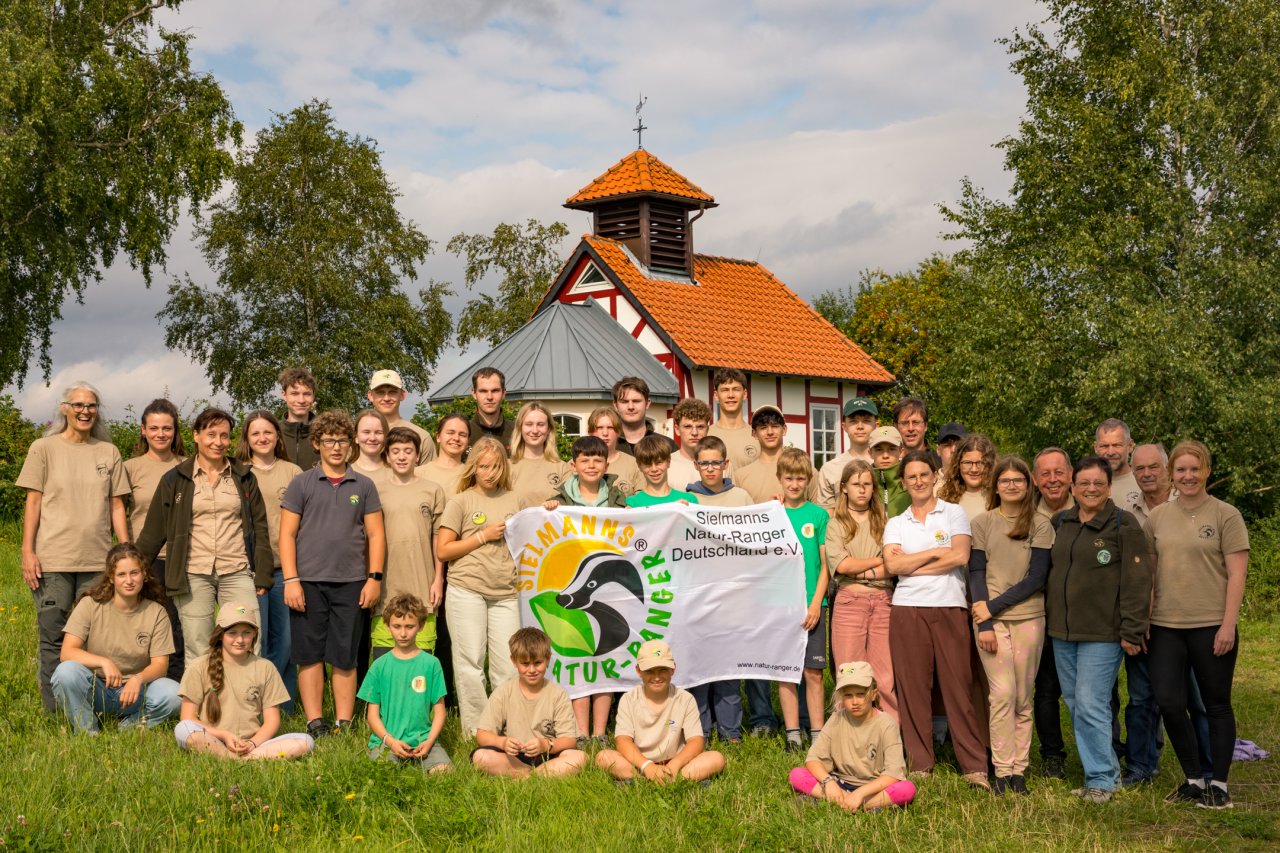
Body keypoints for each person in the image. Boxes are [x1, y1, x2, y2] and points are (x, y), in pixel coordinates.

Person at [1146, 441, 1249, 810]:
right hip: (1165, 626)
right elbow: (1152, 574)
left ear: (1205, 471)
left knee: (1216, 704)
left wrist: (1228, 625)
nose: (1188, 476)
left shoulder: (1226, 515)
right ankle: (1193, 778)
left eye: (1195, 469)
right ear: (1171, 475)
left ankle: (1218, 785)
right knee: (1170, 703)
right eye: (1181, 470)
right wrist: (1145, 618)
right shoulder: (1157, 517)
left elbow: (1237, 575)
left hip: (1211, 625)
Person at [18, 381, 131, 712]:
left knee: (94, 641)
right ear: (64, 408)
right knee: (53, 639)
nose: (85, 411)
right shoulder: (43, 448)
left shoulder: (107, 452)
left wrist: (125, 553)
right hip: (52, 562)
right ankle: (55, 713)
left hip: (98, 562)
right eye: (78, 405)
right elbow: (33, 503)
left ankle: (91, 707)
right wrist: (27, 551)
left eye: (91, 406)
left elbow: (117, 507)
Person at [1045, 455, 1151, 803]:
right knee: (1077, 704)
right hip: (1063, 632)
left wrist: (1132, 630)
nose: (1091, 489)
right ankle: (1104, 773)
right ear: (1073, 487)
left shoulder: (1123, 524)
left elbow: (1137, 581)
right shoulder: (1063, 522)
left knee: (1092, 703)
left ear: (1109, 488)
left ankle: (1102, 780)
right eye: (1084, 483)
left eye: (1098, 484)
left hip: (1103, 633)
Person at [884, 450, 989, 789]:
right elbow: (892, 567)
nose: (918, 481)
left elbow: (960, 555)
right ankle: (920, 763)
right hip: (907, 610)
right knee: (913, 689)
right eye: (911, 476)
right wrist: (932, 552)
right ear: (904, 482)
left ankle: (974, 766)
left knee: (958, 686)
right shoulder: (896, 523)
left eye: (924, 475)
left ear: (934, 477)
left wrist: (912, 563)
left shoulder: (953, 513)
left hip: (949, 607)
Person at [136, 408, 274, 666]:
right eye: (211, 435)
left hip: (237, 570)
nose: (218, 442)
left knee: (250, 642)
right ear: (196, 436)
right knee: (197, 648)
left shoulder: (244, 478)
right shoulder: (175, 480)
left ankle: (246, 704)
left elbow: (261, 528)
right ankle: (200, 706)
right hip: (193, 573)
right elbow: (153, 533)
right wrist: (132, 570)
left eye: (224, 436)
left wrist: (264, 572)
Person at [279, 410, 386, 739]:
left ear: (351, 444)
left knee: (345, 655)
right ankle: (315, 721)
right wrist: (291, 580)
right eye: (329, 441)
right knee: (309, 655)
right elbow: (286, 535)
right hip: (307, 582)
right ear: (317, 444)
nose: (336, 447)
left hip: (352, 582)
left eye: (342, 441)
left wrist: (374, 578)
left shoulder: (364, 485)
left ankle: (343, 721)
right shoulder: (301, 484)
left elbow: (377, 535)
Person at [968, 456, 1053, 795]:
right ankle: (1001, 771)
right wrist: (985, 618)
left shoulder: (1041, 524)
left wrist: (991, 607)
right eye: (1005, 480)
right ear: (996, 486)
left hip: (1029, 618)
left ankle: (1019, 771)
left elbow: (1037, 578)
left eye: (1018, 480)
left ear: (1028, 484)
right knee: (1001, 695)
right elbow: (976, 572)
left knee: (1022, 696)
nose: (1012, 485)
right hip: (990, 623)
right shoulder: (982, 522)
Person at [436, 436, 531, 735]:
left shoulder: (516, 500)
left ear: (504, 466)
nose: (489, 473)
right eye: (483, 466)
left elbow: (535, 536)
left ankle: (504, 728)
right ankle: (476, 732)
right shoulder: (460, 501)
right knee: (470, 664)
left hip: (506, 592)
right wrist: (483, 536)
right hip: (467, 590)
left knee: (505, 666)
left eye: (495, 466)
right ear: (473, 467)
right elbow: (443, 550)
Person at [546, 435, 628, 741]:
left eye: (597, 460)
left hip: (608, 588)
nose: (591, 465)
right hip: (571, 584)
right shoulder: (560, 501)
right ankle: (580, 731)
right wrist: (548, 511)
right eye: (585, 460)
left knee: (604, 654)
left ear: (607, 463)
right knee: (578, 656)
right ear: (573, 465)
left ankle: (599, 731)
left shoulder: (618, 499)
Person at [51, 543, 180, 732]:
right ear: (111, 577)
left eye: (134, 573)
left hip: (136, 692)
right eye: (121, 574)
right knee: (65, 672)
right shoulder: (90, 604)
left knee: (174, 695)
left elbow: (160, 665)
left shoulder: (157, 612)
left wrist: (138, 679)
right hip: (98, 688)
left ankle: (128, 727)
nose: (129, 580)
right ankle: (88, 732)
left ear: (144, 574)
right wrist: (103, 662)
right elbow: (67, 652)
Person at [175, 602, 313, 759]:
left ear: (254, 633)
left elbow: (272, 720)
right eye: (232, 633)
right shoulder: (198, 666)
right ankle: (243, 758)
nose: (240, 639)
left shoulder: (265, 667)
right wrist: (224, 735)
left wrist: (252, 743)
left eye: (246, 633)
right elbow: (187, 718)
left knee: (306, 741)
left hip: (253, 743)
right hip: (213, 739)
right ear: (220, 634)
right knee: (183, 728)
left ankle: (239, 758)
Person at [236, 410, 304, 710]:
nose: (262, 438)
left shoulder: (293, 473)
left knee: (287, 643)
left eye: (268, 432)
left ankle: (282, 705)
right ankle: (253, 703)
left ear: (277, 436)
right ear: (247, 439)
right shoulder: (238, 472)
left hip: (286, 570)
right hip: (248, 570)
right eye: (255, 434)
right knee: (255, 640)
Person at [789, 662, 915, 811]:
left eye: (861, 695)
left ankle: (840, 802)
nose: (855, 702)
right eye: (848, 695)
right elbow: (813, 760)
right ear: (841, 697)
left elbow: (894, 774)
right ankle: (866, 805)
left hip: (874, 787)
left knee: (907, 789)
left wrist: (860, 793)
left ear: (873, 694)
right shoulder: (836, 719)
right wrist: (829, 782)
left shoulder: (886, 723)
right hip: (839, 783)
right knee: (796, 775)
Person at [595, 640, 726, 783]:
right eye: (649, 671)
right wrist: (647, 766)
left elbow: (696, 741)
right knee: (603, 757)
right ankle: (662, 780)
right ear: (638, 671)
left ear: (673, 669)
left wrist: (674, 766)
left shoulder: (685, 699)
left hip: (676, 763)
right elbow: (622, 741)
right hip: (639, 763)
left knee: (716, 758)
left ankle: (653, 780)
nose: (656, 677)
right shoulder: (629, 699)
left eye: (662, 670)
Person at [123, 398, 186, 680]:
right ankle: (138, 684)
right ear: (143, 430)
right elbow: (116, 512)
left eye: (167, 428)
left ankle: (176, 686)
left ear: (175, 431)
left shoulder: (189, 465)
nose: (161, 434)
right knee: (145, 625)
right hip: (145, 560)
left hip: (183, 558)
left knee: (178, 626)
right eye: (154, 428)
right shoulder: (129, 468)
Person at [827, 460, 895, 720]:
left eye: (867, 484)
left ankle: (889, 736)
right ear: (844, 488)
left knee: (884, 676)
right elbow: (843, 566)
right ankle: (846, 740)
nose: (862, 490)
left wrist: (861, 568)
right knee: (850, 674)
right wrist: (878, 562)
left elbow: (894, 566)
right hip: (849, 602)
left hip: (882, 601)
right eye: (856, 484)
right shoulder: (837, 524)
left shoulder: (885, 522)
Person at [471, 628, 586, 777]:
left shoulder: (558, 694)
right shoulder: (504, 691)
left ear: (548, 659)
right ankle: (536, 775)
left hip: (547, 755)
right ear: (514, 661)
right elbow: (482, 734)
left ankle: (527, 777)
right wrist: (503, 743)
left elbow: (570, 740)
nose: (531, 670)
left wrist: (546, 745)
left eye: (538, 663)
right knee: (481, 757)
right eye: (525, 664)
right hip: (513, 757)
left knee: (579, 758)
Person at [372, 428, 446, 661]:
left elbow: (438, 537)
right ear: (387, 455)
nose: (402, 456)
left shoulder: (432, 490)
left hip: (422, 585)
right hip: (386, 588)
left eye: (408, 451)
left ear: (417, 455)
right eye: (395, 451)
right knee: (386, 660)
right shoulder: (375, 490)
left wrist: (438, 579)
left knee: (421, 660)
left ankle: (424, 700)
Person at [358, 593, 452, 773]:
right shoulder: (379, 666)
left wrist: (430, 741)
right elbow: (372, 715)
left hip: (424, 740)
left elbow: (440, 712)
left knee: (444, 773)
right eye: (397, 626)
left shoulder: (431, 664)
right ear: (387, 626)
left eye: (409, 626)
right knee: (383, 774)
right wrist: (390, 741)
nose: (403, 633)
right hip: (386, 741)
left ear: (421, 626)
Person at [776, 448, 829, 752]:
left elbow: (824, 567)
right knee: (785, 672)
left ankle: (818, 734)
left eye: (800, 478)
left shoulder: (818, 515)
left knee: (813, 672)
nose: (794, 484)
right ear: (780, 479)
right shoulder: (771, 513)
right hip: (781, 605)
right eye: (788, 478)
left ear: (808, 479)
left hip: (811, 605)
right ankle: (793, 734)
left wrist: (816, 603)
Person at [1030, 447, 1073, 778]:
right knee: (1046, 690)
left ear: (1070, 475)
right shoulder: (1027, 515)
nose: (1052, 479)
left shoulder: (1090, 507)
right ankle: (1052, 754)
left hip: (1085, 619)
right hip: (1042, 615)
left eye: (1059, 472)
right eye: (1045, 473)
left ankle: (1109, 749)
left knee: (1099, 693)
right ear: (1035, 479)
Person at [817, 397, 878, 510]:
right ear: (844, 426)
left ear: (876, 425)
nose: (860, 426)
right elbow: (827, 515)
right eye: (853, 421)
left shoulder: (888, 464)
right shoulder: (829, 469)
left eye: (866, 421)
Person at [367, 369, 436, 464]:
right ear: (370, 395)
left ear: (402, 395)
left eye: (392, 392)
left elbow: (429, 476)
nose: (386, 398)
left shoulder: (422, 437)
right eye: (380, 392)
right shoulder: (358, 436)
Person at [509, 402, 571, 503]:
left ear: (549, 429)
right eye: (529, 424)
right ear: (520, 428)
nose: (535, 430)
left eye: (540, 425)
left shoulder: (563, 469)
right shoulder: (507, 467)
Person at [706, 368, 759, 472]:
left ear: (745, 395)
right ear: (716, 396)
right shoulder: (706, 435)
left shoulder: (757, 437)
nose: (730, 395)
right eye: (725, 390)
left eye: (736, 389)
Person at [626, 435, 700, 508]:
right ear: (639, 466)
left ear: (668, 462)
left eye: (659, 463)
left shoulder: (688, 500)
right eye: (647, 464)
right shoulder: (633, 503)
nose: (654, 469)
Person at [588, 406, 643, 499]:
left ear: (618, 431)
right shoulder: (575, 465)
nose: (605, 433)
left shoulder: (634, 464)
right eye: (600, 427)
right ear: (590, 432)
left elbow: (642, 499)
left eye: (610, 427)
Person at [613, 376, 675, 456]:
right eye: (624, 402)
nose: (630, 407)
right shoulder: (605, 446)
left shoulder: (668, 446)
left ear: (647, 404)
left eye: (636, 401)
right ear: (615, 405)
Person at [939, 433, 996, 520]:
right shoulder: (945, 498)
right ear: (958, 464)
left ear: (989, 464)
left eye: (980, 463)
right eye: (967, 463)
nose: (974, 469)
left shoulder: (998, 497)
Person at [686, 436, 752, 507]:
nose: (710, 469)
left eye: (716, 463)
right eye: (704, 463)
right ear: (696, 465)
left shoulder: (742, 497)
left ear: (725, 464)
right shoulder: (687, 500)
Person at [416, 413, 470, 496]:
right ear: (438, 437)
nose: (456, 438)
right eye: (450, 433)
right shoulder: (417, 474)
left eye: (462, 435)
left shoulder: (471, 475)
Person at [277, 367, 320, 471]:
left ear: (313, 396)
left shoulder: (324, 433)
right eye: (294, 394)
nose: (301, 400)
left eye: (307, 394)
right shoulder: (273, 433)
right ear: (284, 395)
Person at [1095, 418, 1141, 513]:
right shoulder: (1086, 485)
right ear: (1096, 448)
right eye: (1104, 446)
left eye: (1117, 445)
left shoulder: (1143, 482)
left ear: (1130, 446)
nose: (1110, 452)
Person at [667, 397, 711, 492]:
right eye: (687, 426)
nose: (694, 433)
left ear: (707, 430)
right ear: (677, 429)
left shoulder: (720, 464)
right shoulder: (665, 465)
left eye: (700, 427)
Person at [467, 367, 514, 449]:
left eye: (495, 391)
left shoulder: (516, 432)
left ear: (503, 393)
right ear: (474, 393)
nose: (489, 397)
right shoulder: (464, 432)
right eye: (483, 391)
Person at [868, 426, 909, 518]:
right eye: (879, 450)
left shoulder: (912, 484)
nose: (885, 455)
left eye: (891, 449)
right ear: (870, 453)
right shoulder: (864, 486)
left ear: (901, 451)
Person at [891, 397, 939, 465]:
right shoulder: (888, 465)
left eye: (916, 422)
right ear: (896, 427)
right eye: (905, 423)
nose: (910, 428)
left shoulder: (939, 463)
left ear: (925, 426)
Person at [351, 408, 391, 482]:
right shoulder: (344, 473)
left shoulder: (396, 473)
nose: (372, 438)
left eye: (378, 432)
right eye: (366, 432)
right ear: (356, 437)